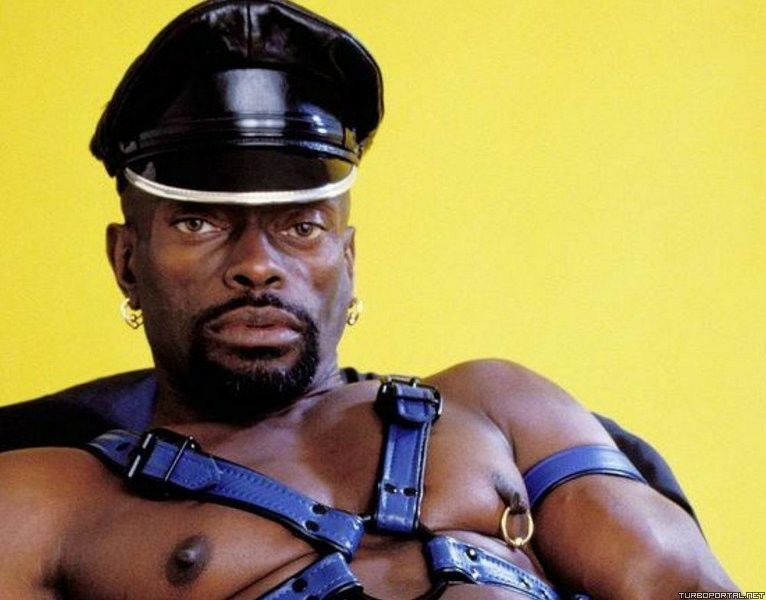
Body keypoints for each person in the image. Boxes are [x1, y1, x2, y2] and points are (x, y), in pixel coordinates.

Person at [0, 1, 736, 598]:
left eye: (301, 227)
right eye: (201, 223)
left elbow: (688, 587)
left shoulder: (497, 406)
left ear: (348, 261)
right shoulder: (45, 501)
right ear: (127, 261)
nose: (257, 266)